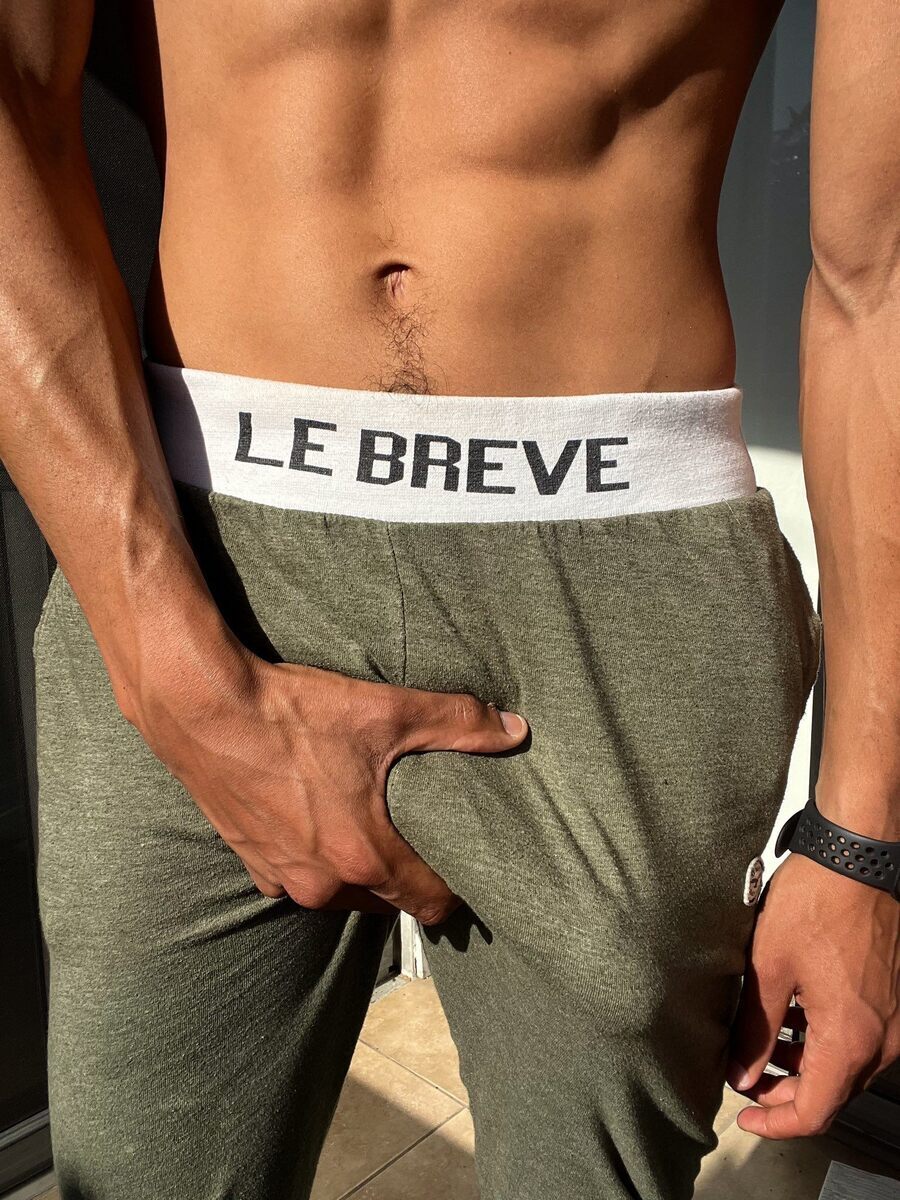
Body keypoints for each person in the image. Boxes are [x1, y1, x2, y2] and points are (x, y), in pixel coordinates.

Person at [1, 1, 897, 1197]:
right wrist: (178, 675)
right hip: (192, 552)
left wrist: (864, 843)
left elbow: (881, 276)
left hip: (623, 575)